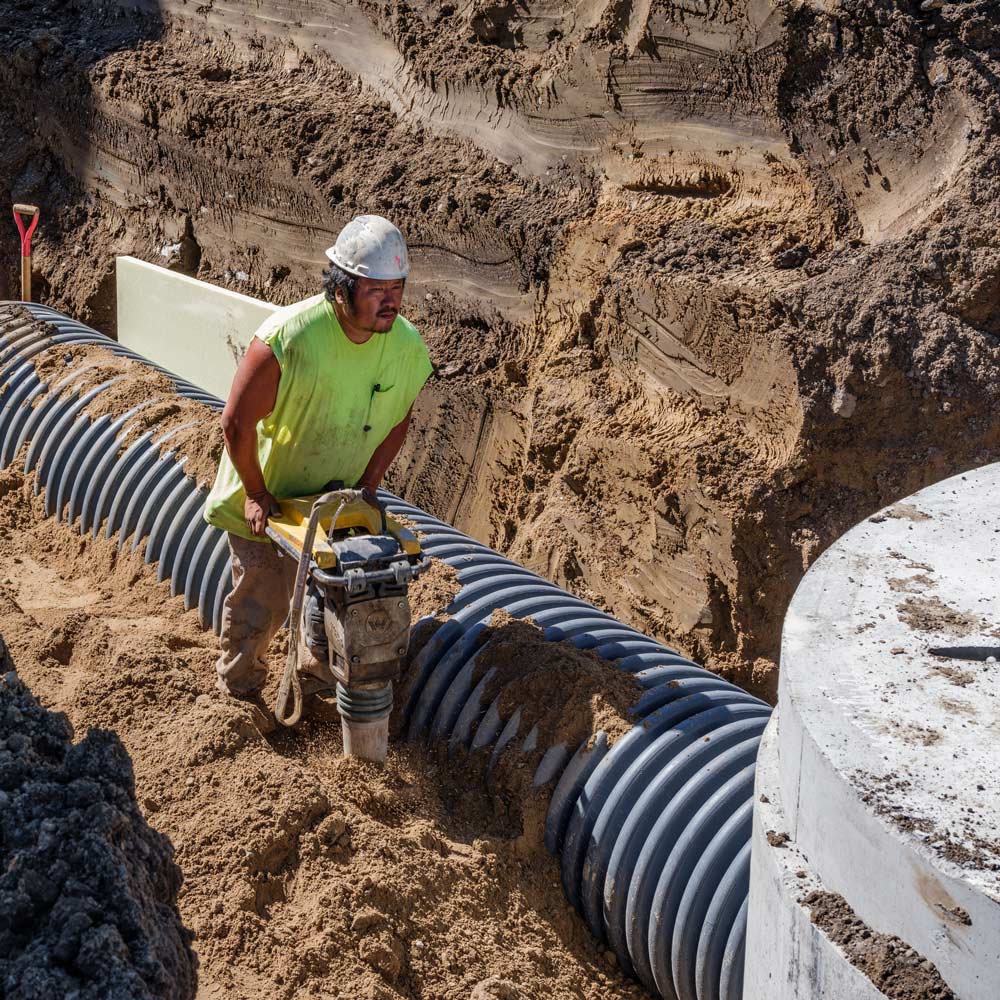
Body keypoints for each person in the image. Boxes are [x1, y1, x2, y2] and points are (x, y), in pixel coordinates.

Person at [203, 215, 433, 699]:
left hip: (330, 502)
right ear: (342, 287)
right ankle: (240, 694)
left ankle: (312, 687)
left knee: (338, 598)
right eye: (376, 289)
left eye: (398, 287)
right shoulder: (290, 338)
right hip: (265, 492)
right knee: (263, 598)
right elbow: (236, 424)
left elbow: (398, 421)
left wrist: (368, 489)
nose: (390, 300)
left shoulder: (406, 348)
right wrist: (257, 492)